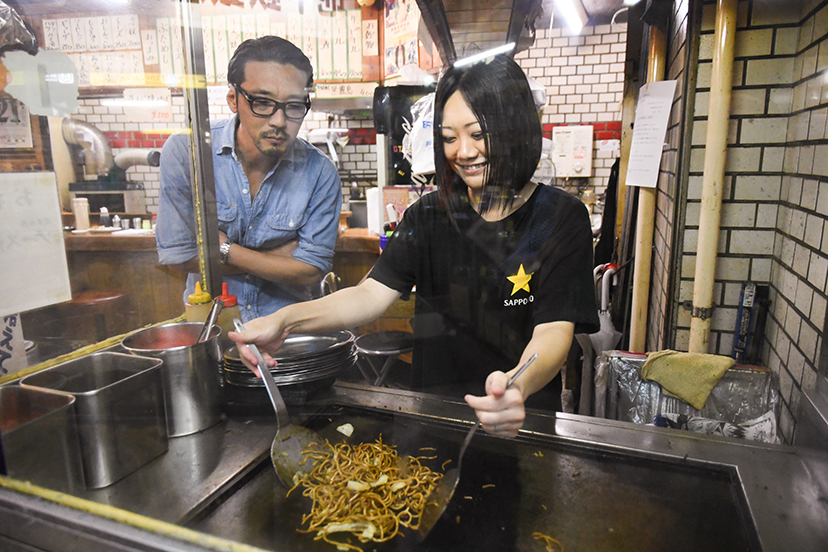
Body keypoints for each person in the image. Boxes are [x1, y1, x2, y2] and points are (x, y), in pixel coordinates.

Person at [230, 55, 599, 437]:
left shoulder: (559, 217)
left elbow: (554, 330)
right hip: (434, 420)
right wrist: (285, 320)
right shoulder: (429, 214)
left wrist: (517, 386)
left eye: (477, 134)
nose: (464, 152)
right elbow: (369, 295)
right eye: (449, 137)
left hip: (521, 422)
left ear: (516, 129)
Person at [156, 36, 342, 321]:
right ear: (233, 98)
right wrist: (280, 259)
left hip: (288, 334)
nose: (279, 121)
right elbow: (178, 256)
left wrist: (223, 249)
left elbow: (311, 270)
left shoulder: (319, 172)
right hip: (214, 326)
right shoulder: (188, 152)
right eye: (262, 102)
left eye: (293, 105)